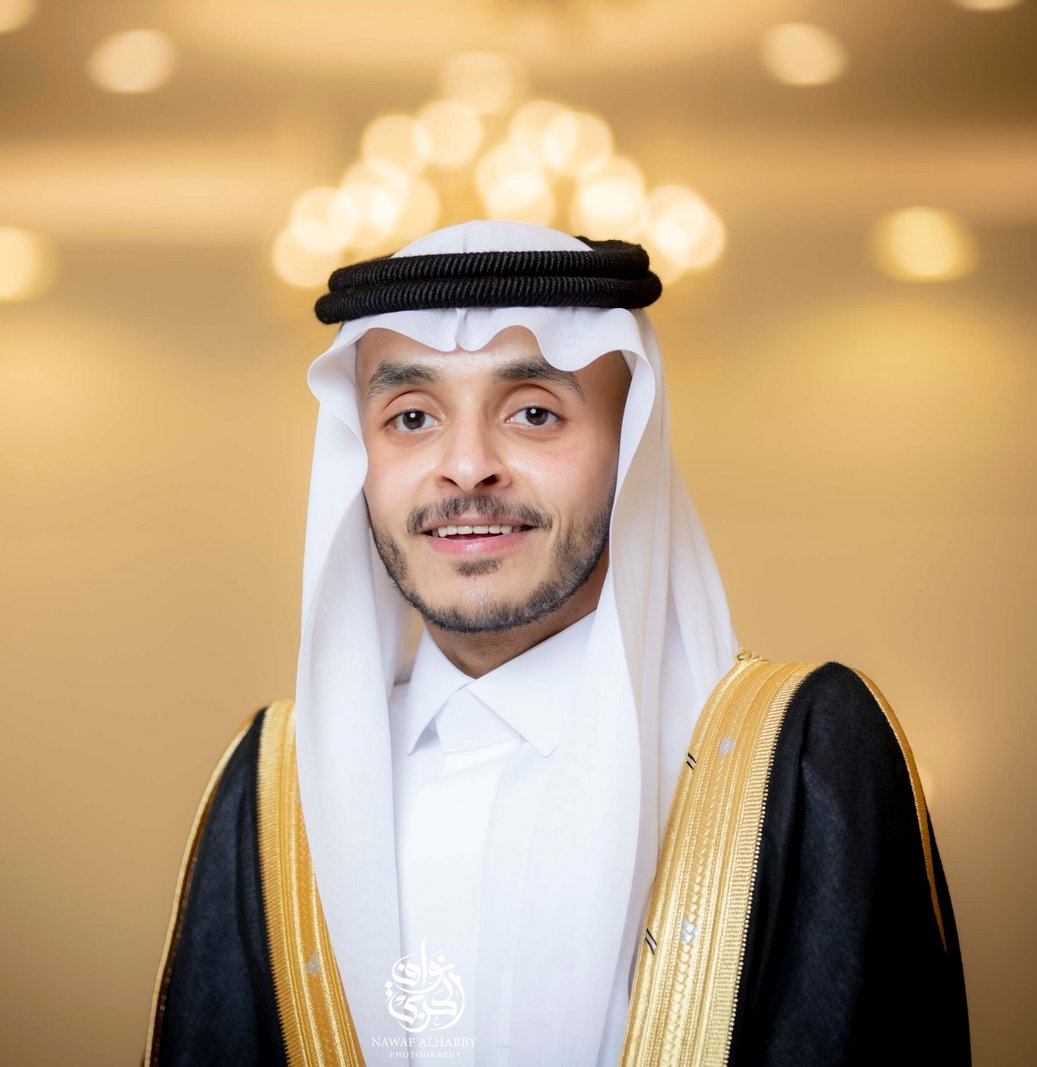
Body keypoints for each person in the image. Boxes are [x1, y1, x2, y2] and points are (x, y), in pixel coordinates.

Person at [143, 221, 968, 1066]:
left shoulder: (799, 756)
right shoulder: (273, 786)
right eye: (412, 416)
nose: (467, 466)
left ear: (629, 449)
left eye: (534, 413)